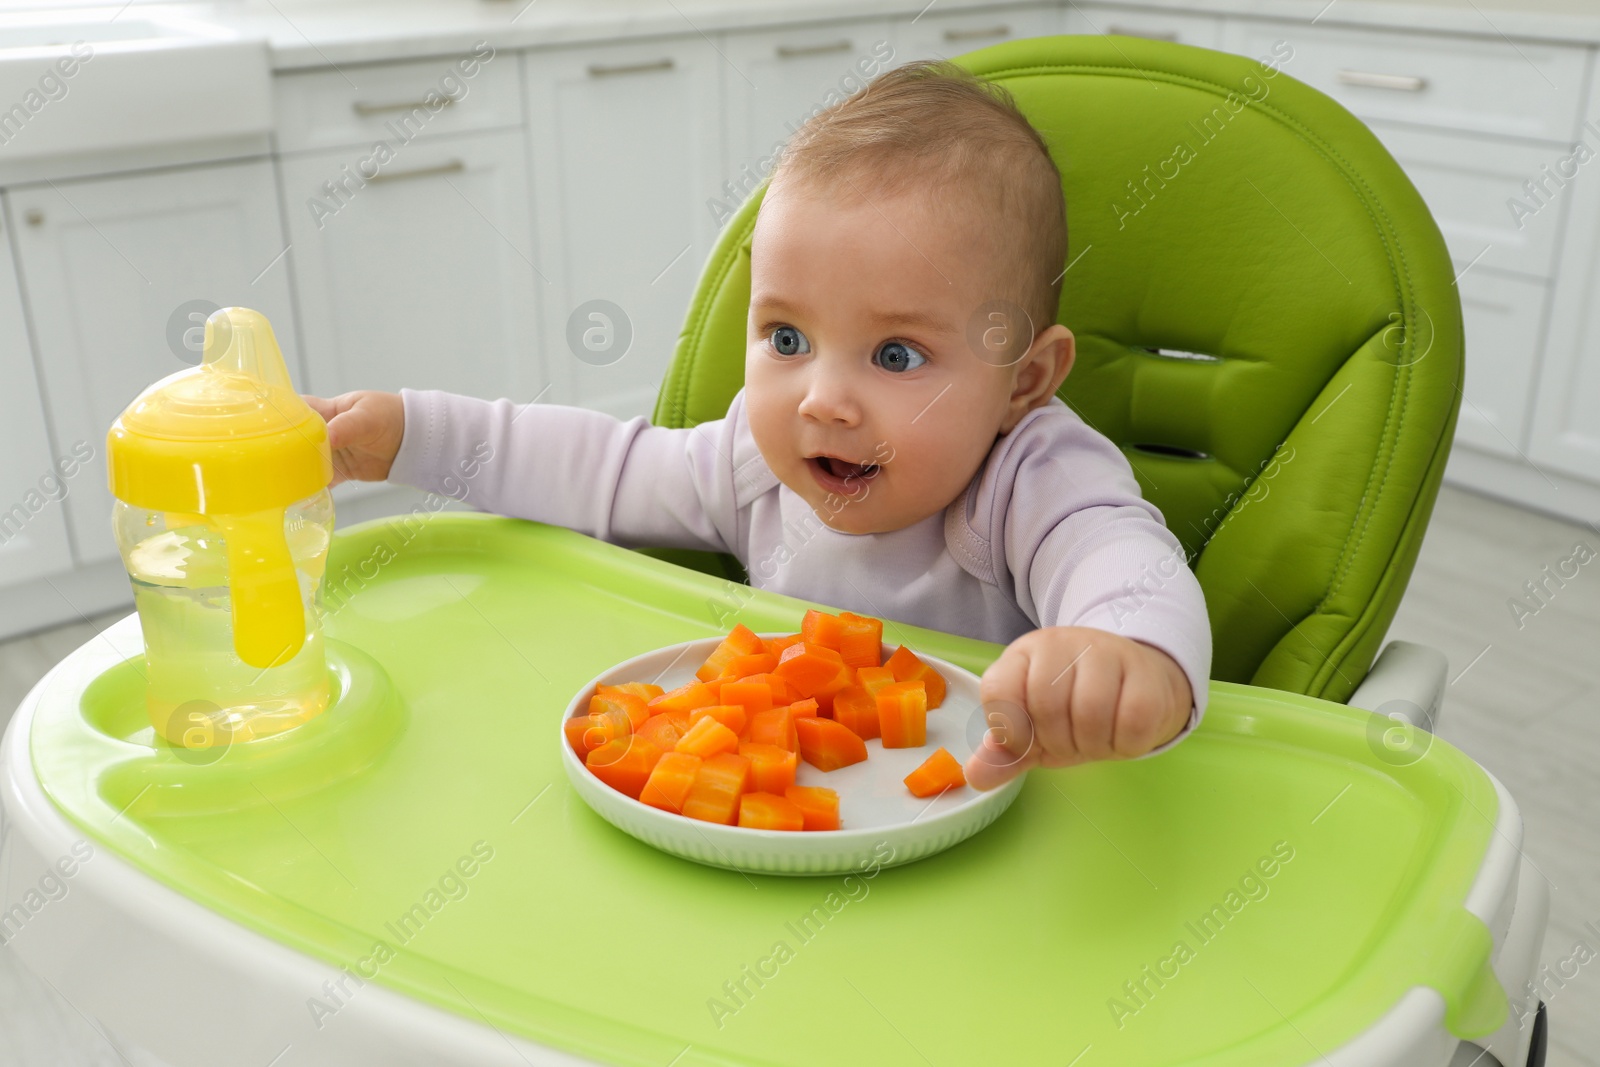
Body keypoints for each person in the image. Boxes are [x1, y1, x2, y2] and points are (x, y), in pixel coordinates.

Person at [304, 60, 1212, 791]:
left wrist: (1124, 653)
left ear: (1024, 382)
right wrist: (412, 435)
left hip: (996, 817)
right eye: (787, 336)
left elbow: (1121, 556)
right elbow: (596, 467)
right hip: (778, 820)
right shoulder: (757, 461)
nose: (822, 399)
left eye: (896, 356)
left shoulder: (1030, 475)